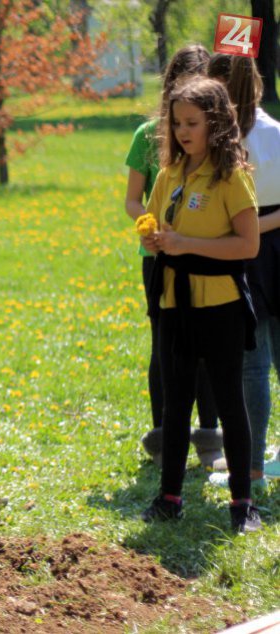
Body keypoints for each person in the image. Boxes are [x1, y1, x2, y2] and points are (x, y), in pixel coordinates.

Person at [140, 76, 261, 534]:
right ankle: (169, 496)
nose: (183, 132)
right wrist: (154, 238)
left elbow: (248, 246)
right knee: (176, 404)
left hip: (221, 305)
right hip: (175, 302)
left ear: (216, 123)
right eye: (176, 124)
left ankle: (242, 502)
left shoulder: (231, 177)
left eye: (192, 123)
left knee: (230, 401)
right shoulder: (171, 174)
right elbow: (156, 230)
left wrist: (184, 242)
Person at [124, 44, 223, 468]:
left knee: (208, 346)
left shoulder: (217, 138)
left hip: (206, 256)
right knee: (164, 345)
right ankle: (166, 433)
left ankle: (209, 435)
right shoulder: (148, 136)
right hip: (161, 258)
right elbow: (132, 200)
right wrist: (150, 228)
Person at [207, 53, 280, 487]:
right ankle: (254, 461)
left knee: (252, 364)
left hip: (244, 249)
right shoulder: (274, 132)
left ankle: (251, 465)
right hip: (264, 243)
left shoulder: (228, 141)